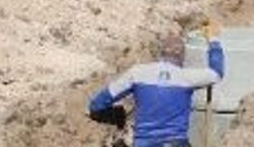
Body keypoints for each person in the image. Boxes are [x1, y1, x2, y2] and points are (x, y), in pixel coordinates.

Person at [88, 26, 224, 147]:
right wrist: (213, 41)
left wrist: (118, 116)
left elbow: (97, 104)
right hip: (176, 142)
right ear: (182, 56)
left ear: (161, 53)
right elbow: (217, 73)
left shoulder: (137, 73)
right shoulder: (186, 77)